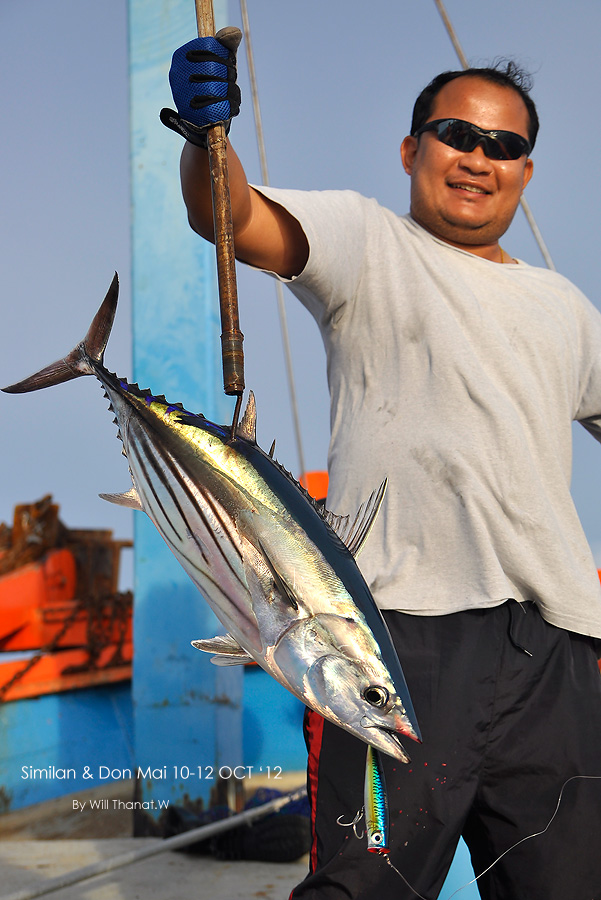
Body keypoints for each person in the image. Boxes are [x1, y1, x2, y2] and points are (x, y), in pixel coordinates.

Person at [162, 30, 601, 900]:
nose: (478, 158)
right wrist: (202, 136)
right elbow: (228, 216)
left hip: (555, 654)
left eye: (503, 146)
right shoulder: (366, 242)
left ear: (525, 170)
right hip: (392, 648)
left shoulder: (566, 306)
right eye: (456, 136)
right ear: (412, 149)